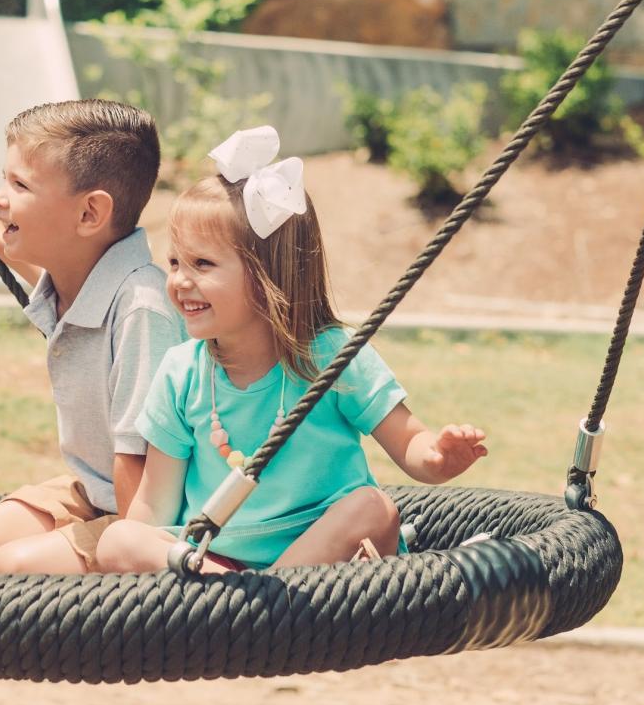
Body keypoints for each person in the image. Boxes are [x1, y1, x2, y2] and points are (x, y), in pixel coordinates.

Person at [95, 126, 488, 574]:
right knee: (119, 538)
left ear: (269, 277)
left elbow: (409, 441)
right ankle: (247, 606)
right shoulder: (181, 371)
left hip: (320, 558)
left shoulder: (331, 357)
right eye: (174, 262)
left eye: (201, 264)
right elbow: (154, 504)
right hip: (217, 564)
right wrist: (134, 554)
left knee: (375, 509)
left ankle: (255, 610)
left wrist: (438, 457)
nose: (180, 281)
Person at [0, 99, 186, 574]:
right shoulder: (82, 279)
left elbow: (142, 459)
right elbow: (45, 273)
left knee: (13, 567)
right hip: (93, 488)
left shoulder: (143, 310)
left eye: (20, 185)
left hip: (150, 510)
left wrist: (133, 560)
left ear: (89, 214)